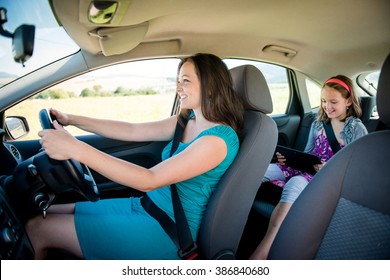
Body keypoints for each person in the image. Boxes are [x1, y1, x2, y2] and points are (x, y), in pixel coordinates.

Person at [25, 53, 244, 260]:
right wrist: (72, 119)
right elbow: (132, 130)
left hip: (167, 230)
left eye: (185, 81)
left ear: (209, 88)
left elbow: (150, 179)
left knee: (38, 228)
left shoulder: (219, 140)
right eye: (178, 80)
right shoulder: (188, 121)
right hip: (144, 206)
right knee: (45, 210)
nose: (178, 88)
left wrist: (76, 149)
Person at [250, 75, 368, 260]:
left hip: (328, 177)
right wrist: (289, 159)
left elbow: (357, 169)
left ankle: (264, 250)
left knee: (296, 182)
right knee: (261, 170)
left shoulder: (357, 129)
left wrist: (330, 167)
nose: (327, 106)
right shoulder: (318, 123)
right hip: (306, 170)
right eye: (323, 101)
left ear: (349, 101)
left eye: (333, 102)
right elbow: (308, 153)